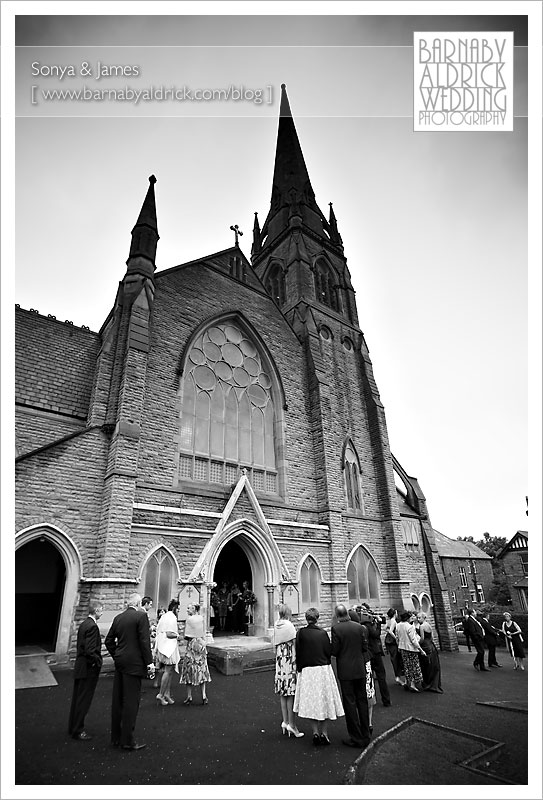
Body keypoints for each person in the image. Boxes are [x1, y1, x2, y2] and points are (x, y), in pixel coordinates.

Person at [105, 593, 155, 751]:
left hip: (121, 662)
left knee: (118, 700)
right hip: (134, 664)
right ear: (139, 603)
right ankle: (127, 741)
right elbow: (144, 641)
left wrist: (118, 655)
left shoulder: (118, 617)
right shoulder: (141, 616)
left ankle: (116, 737)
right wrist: (149, 662)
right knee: (131, 702)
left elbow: (108, 641)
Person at [293, 607, 344, 746]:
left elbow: (298, 651)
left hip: (308, 670)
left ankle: (315, 732)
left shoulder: (301, 633)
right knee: (324, 700)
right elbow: (329, 651)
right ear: (317, 618)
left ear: (306, 618)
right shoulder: (322, 633)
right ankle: (325, 733)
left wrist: (299, 669)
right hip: (322, 669)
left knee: (312, 702)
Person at [331, 604, 371, 750]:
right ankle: (366, 735)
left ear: (337, 615)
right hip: (359, 669)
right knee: (362, 701)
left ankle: (355, 737)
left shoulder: (336, 629)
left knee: (350, 703)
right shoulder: (359, 627)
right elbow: (364, 647)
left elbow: (334, 651)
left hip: (346, 671)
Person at [68, 600, 104, 741]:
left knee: (78, 698)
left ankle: (73, 726)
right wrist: (97, 662)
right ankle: (78, 730)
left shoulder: (84, 624)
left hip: (80, 666)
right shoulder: (92, 626)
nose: (102, 612)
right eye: (101, 610)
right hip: (88, 668)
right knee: (84, 700)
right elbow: (89, 650)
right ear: (96, 611)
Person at [273, 604, 303, 738]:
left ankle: (285, 721)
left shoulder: (276, 624)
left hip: (280, 661)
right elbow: (295, 643)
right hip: (289, 661)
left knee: (282, 694)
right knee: (290, 693)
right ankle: (292, 724)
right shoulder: (289, 626)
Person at [359, 604, 391, 706]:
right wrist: (378, 625)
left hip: (367, 654)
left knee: (369, 677)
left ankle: (370, 700)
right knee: (381, 676)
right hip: (374, 653)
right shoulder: (367, 626)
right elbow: (376, 634)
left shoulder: (360, 626)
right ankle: (386, 700)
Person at [181, 603, 211, 703]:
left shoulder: (189, 619)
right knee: (202, 669)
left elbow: (186, 635)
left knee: (189, 669)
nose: (187, 610)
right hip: (201, 645)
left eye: (189, 608)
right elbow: (203, 632)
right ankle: (203, 695)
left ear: (194, 609)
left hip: (192, 646)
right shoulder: (201, 618)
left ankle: (189, 696)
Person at [154, 599, 181, 705]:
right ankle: (161, 694)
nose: (179, 611)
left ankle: (167, 694)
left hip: (163, 645)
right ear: (174, 608)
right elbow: (169, 633)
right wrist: (178, 636)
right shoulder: (171, 618)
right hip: (168, 646)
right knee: (168, 671)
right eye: (178, 609)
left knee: (169, 671)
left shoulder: (165, 616)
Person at [396, 610, 427, 691]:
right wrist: (421, 650)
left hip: (402, 648)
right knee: (414, 667)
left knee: (406, 666)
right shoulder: (410, 627)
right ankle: (413, 685)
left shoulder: (398, 625)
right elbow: (414, 641)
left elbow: (397, 638)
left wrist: (399, 646)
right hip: (411, 649)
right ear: (407, 618)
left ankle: (407, 682)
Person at [416, 612, 443, 692]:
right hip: (431, 645)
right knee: (433, 665)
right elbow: (431, 637)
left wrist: (417, 644)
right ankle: (434, 684)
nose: (418, 619)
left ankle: (428, 684)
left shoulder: (421, 626)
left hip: (425, 646)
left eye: (419, 618)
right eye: (417, 617)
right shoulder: (428, 625)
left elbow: (422, 638)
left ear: (423, 618)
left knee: (426, 666)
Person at [385, 608, 405, 686]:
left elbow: (385, 628)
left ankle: (398, 676)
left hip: (388, 641)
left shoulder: (389, 621)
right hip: (392, 642)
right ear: (394, 614)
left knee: (394, 658)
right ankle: (398, 677)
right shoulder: (393, 621)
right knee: (396, 658)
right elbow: (390, 631)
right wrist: (396, 637)